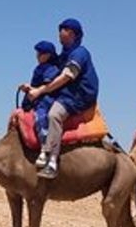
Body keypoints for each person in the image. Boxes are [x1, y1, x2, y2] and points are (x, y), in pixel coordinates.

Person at [22, 18, 98, 179]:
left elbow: (65, 77)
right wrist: (33, 89)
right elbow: (51, 77)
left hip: (79, 95)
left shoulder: (79, 53)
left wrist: (40, 91)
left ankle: (52, 161)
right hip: (67, 92)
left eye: (63, 30)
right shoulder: (64, 55)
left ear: (71, 33)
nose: (59, 34)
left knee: (53, 114)